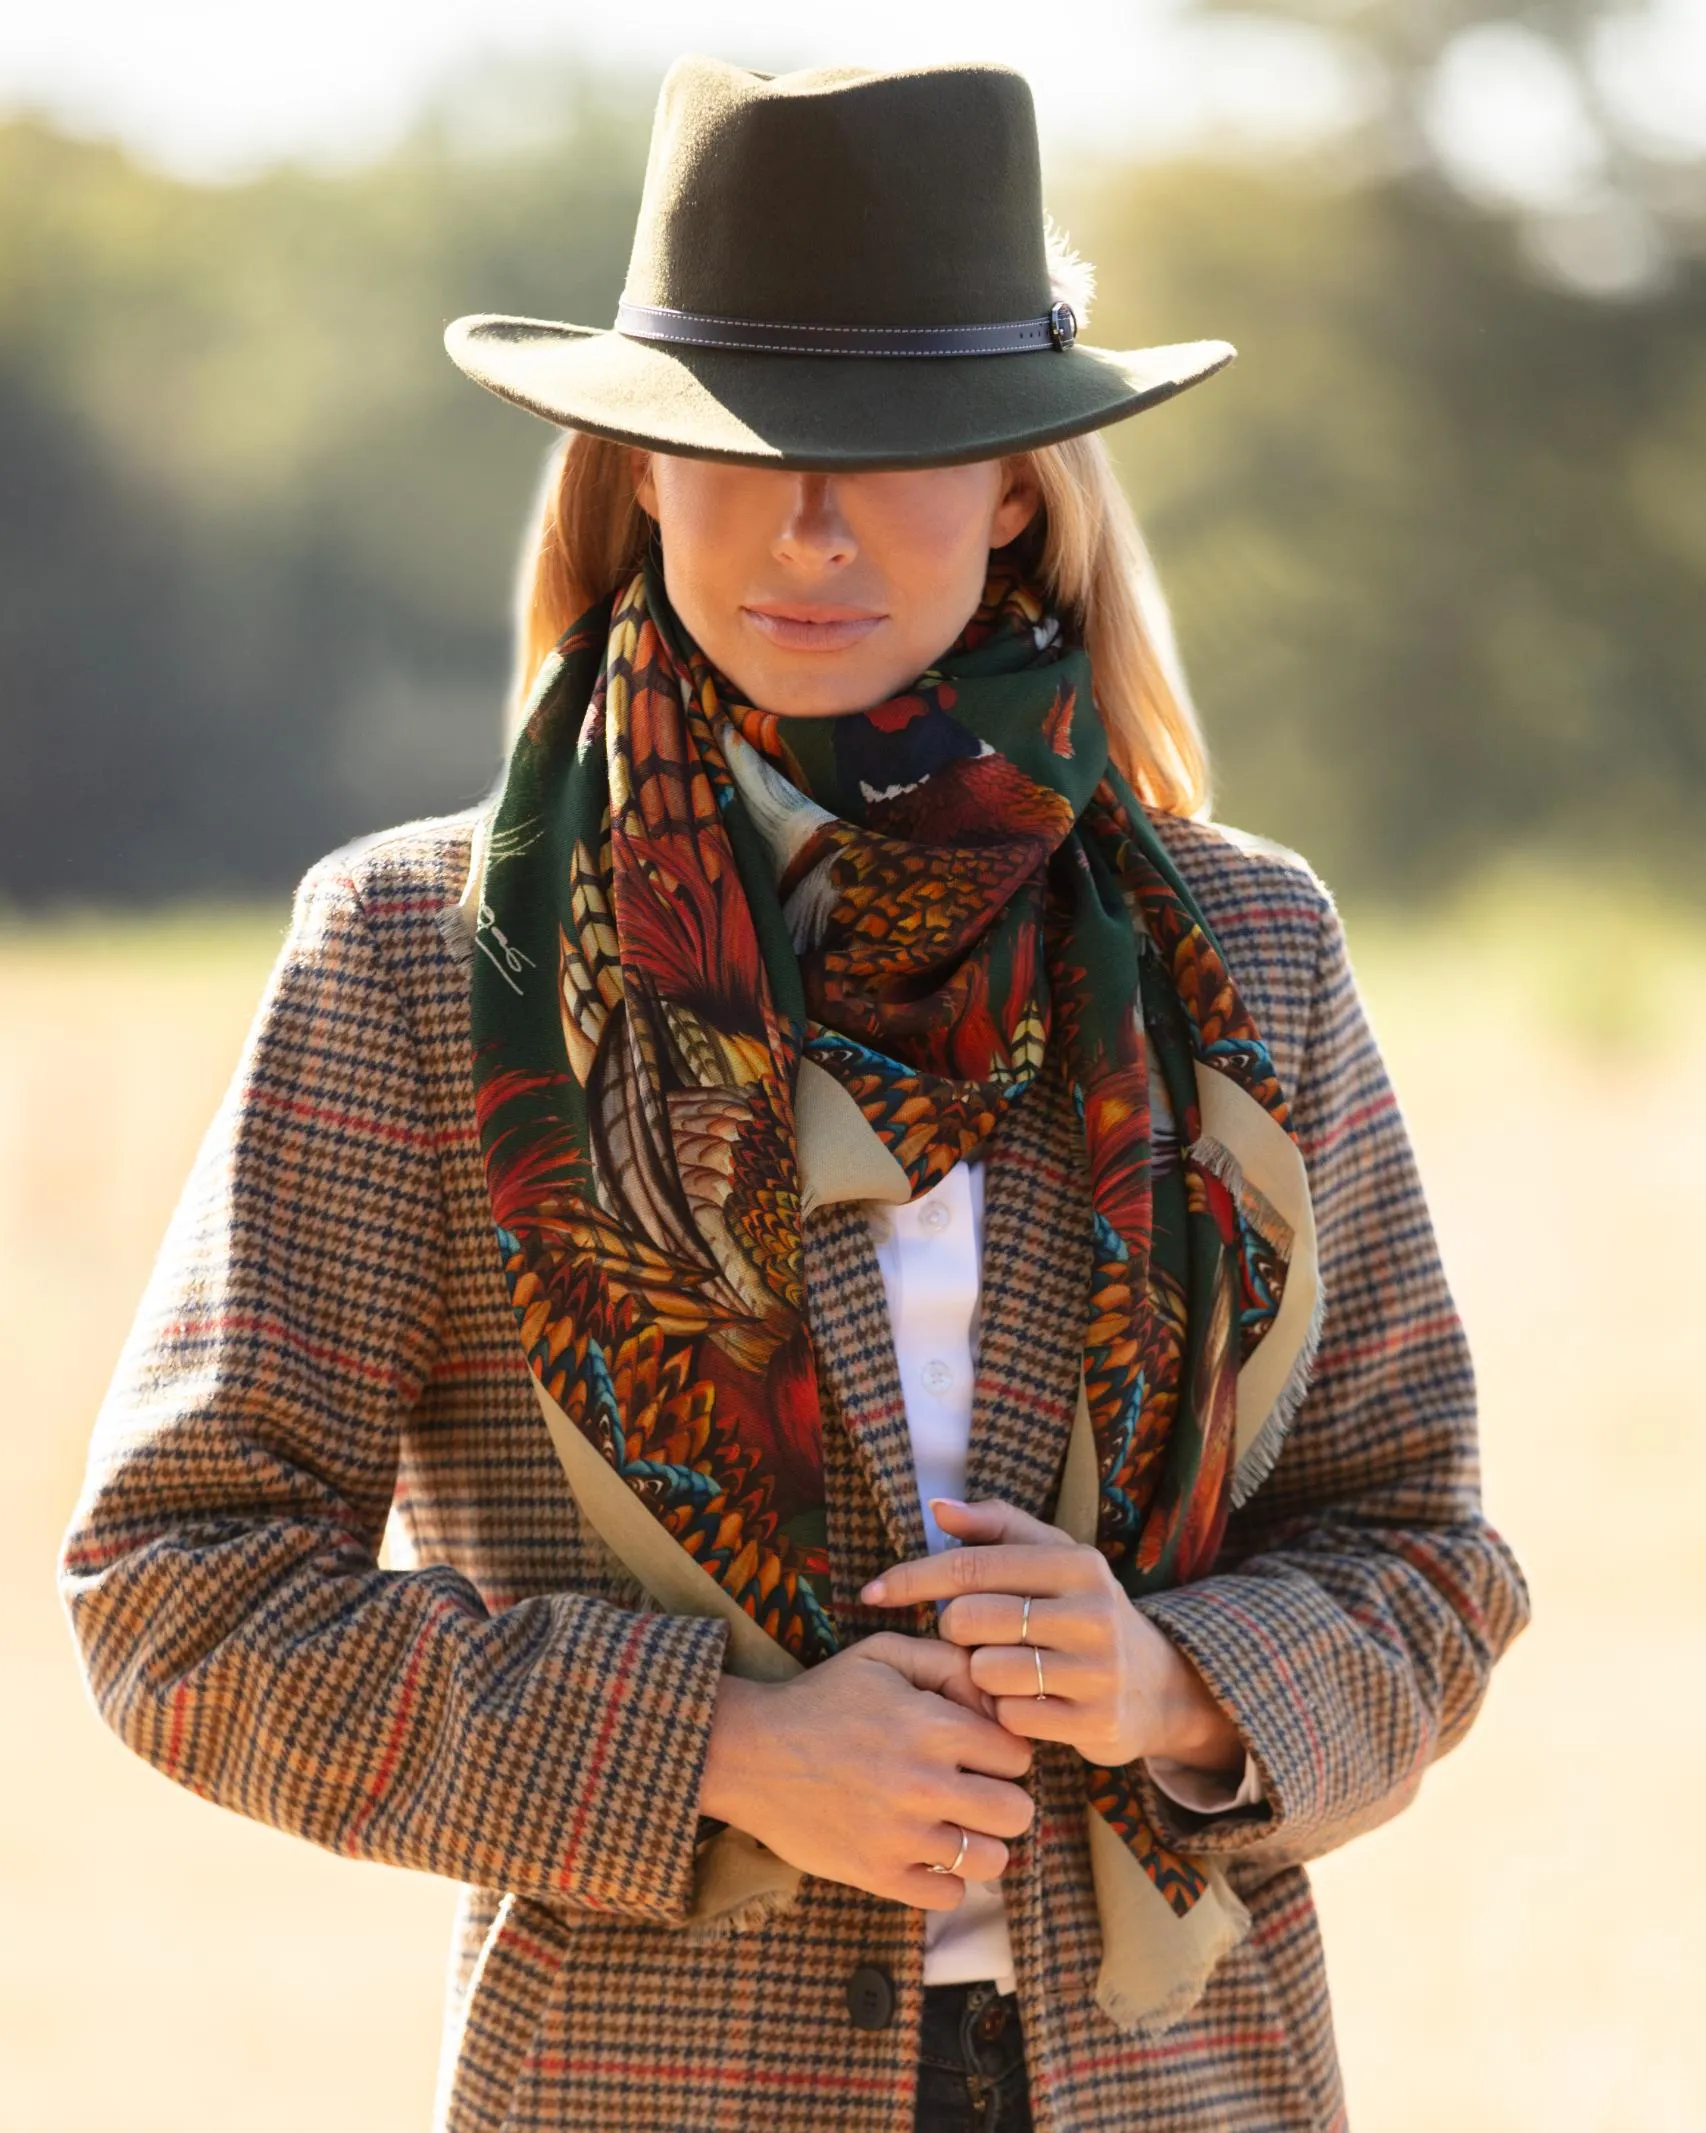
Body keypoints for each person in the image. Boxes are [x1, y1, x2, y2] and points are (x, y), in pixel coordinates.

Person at [58, 52, 1532, 2133]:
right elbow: (182, 1598)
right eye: (738, 447)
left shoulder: (1244, 950)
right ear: (634, 466)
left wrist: (1170, 1680)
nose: (808, 528)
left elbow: (1424, 1559)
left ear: (1020, 476)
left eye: (894, 449)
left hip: (1176, 2086)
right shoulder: (417, 960)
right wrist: (723, 1750)